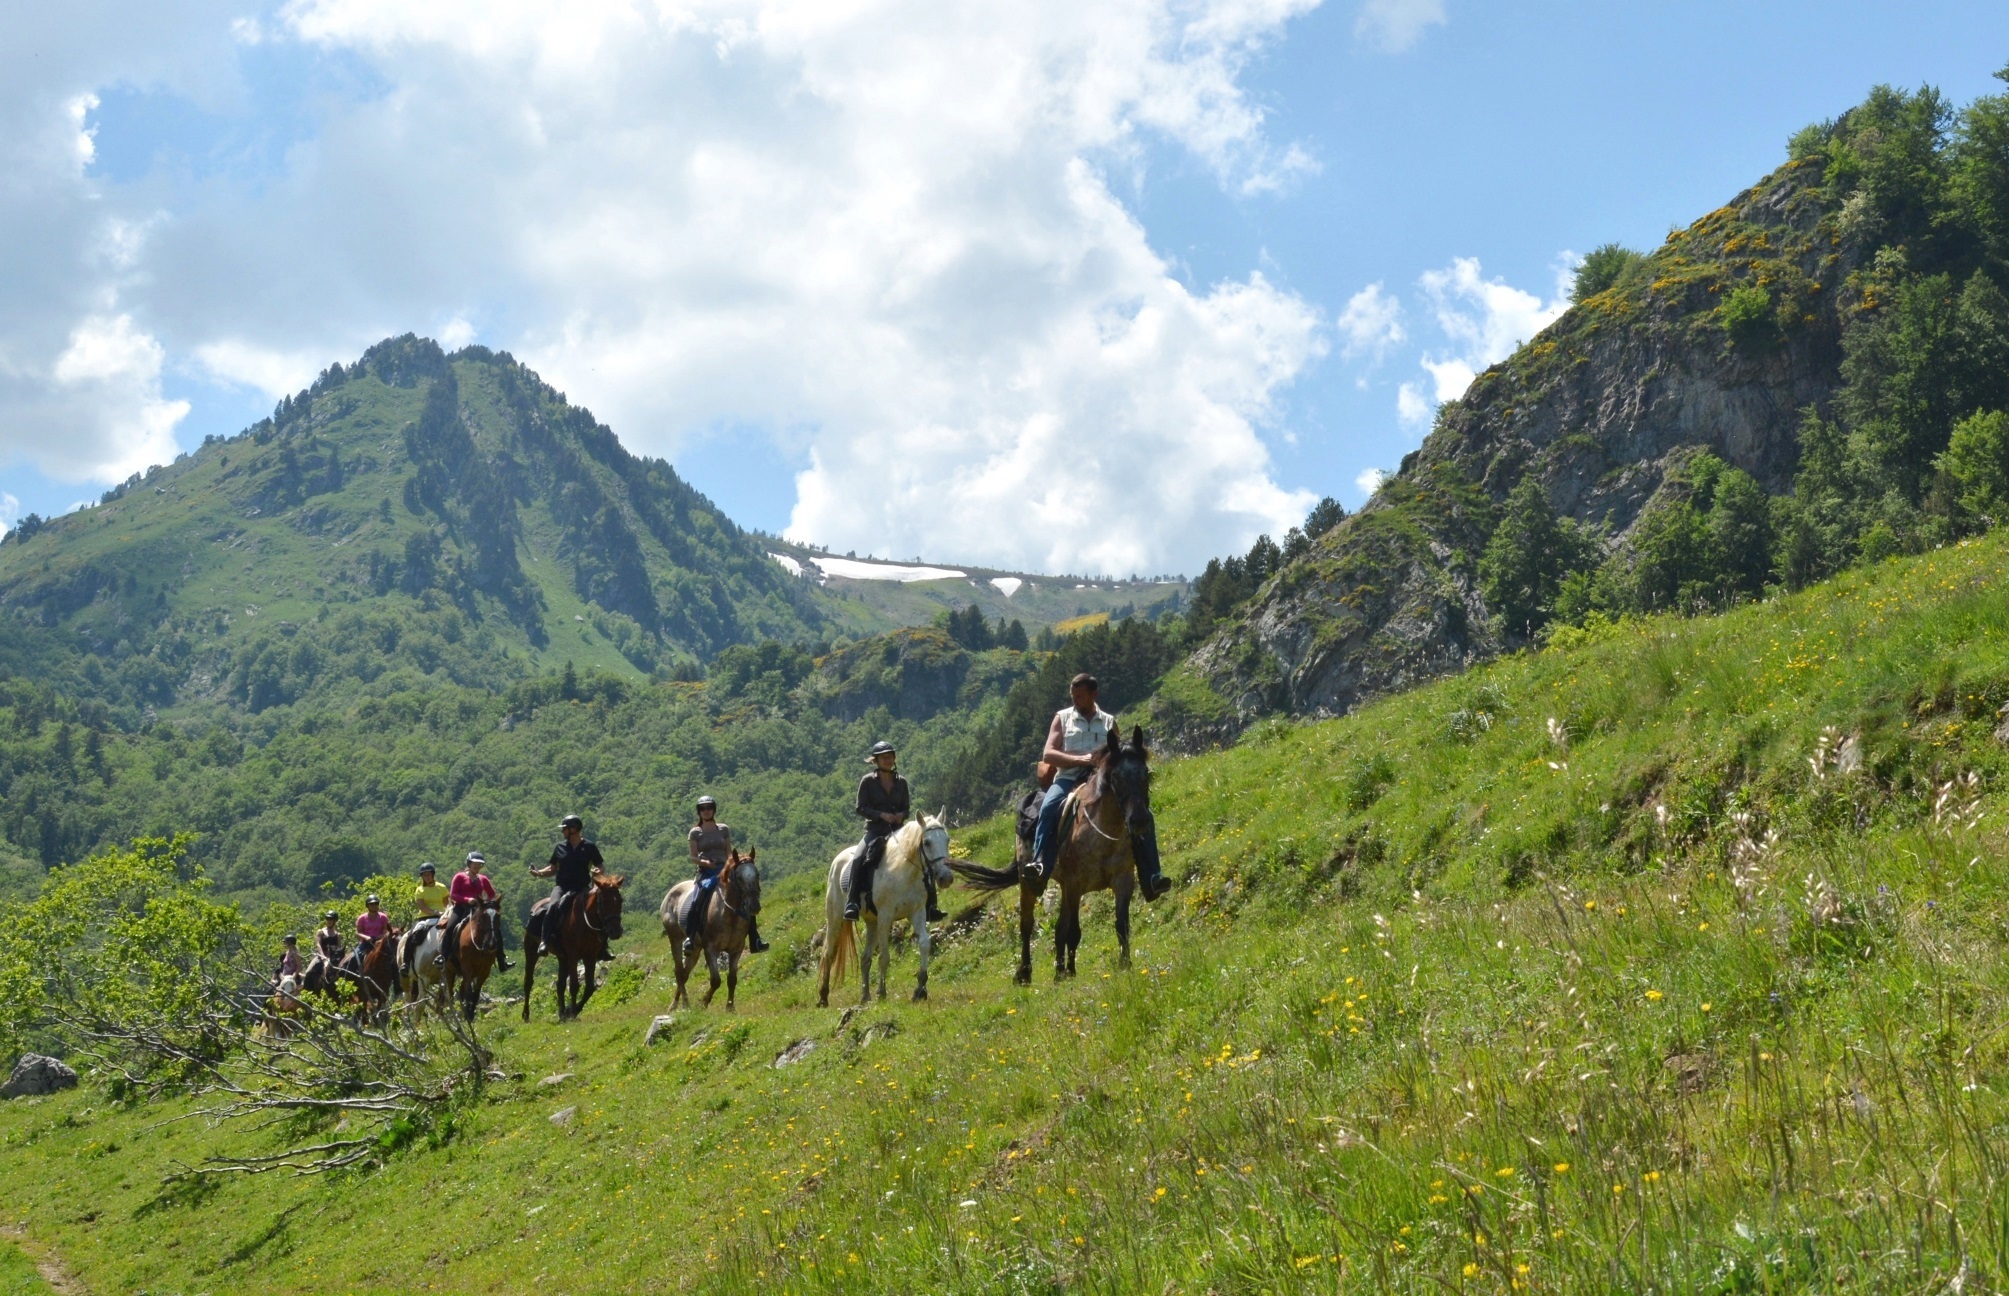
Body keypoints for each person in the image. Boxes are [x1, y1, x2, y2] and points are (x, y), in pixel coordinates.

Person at [1028, 672, 1171, 900]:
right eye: (1073, 696)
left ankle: (1152, 875)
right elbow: (1049, 753)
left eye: (1080, 696)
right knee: (1049, 806)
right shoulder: (1062, 718)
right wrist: (1081, 759)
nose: (1075, 700)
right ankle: (1039, 865)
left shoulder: (1108, 722)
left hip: (1100, 783)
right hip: (1067, 779)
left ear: (1093, 694)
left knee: (1143, 815)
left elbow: (1117, 756)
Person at [845, 741, 944, 924]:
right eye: (884, 758)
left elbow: (906, 808)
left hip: (899, 831)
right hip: (875, 830)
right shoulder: (867, 781)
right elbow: (860, 807)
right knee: (858, 858)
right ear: (876, 761)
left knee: (924, 858)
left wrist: (900, 815)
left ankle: (932, 906)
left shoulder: (901, 782)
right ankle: (852, 903)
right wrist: (880, 815)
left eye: (890, 757)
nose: (888, 760)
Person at [683, 795, 768, 956]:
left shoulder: (723, 829)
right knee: (697, 900)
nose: (706, 811)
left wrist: (731, 866)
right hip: (705, 872)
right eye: (703, 808)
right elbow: (693, 857)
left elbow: (728, 851)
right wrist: (707, 863)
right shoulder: (695, 832)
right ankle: (691, 937)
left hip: (724, 869)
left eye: (709, 808)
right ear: (699, 812)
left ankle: (755, 939)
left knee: (745, 897)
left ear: (714, 809)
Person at [529, 814, 604, 955]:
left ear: (574, 829)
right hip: (562, 887)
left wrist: (597, 871)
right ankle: (544, 941)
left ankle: (603, 947)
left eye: (565, 828)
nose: (562, 831)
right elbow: (552, 868)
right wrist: (538, 873)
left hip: (582, 887)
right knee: (552, 907)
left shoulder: (589, 847)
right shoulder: (560, 847)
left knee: (597, 909)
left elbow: (600, 865)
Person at [443, 851, 513, 971]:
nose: (477, 867)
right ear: (469, 864)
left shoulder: (483, 879)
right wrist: (467, 899)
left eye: (479, 865)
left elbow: (491, 894)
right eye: (475, 864)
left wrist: (486, 903)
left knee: (496, 930)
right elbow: (453, 894)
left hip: (478, 909)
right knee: (450, 927)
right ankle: (444, 957)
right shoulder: (459, 877)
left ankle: (501, 960)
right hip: (461, 908)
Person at [403, 862, 449, 978]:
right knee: (411, 935)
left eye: (429, 874)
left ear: (433, 874)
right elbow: (422, 906)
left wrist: (446, 912)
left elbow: (446, 903)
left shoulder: (442, 887)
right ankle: (406, 963)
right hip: (425, 917)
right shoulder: (420, 890)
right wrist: (434, 912)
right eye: (424, 875)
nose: (427, 877)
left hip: (441, 917)